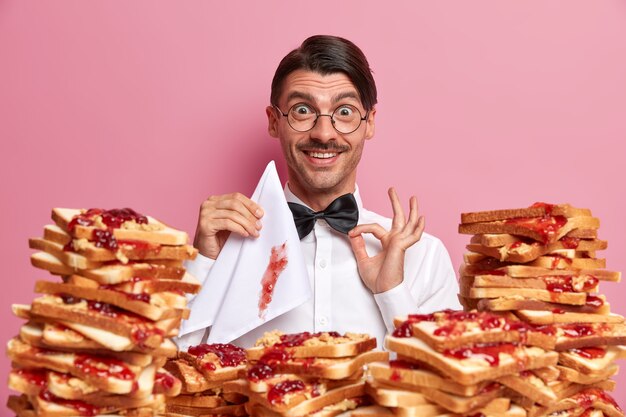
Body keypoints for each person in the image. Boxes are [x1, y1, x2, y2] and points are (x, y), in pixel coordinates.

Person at [177, 35, 461, 350]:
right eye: (302, 110)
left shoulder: (425, 257)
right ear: (274, 122)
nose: (324, 134)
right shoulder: (226, 249)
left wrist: (391, 292)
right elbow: (171, 376)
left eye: (344, 112)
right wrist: (204, 262)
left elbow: (445, 390)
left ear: (369, 123)